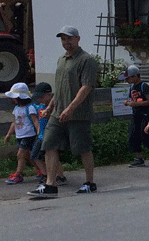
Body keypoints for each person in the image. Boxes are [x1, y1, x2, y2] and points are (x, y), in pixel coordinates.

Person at [28, 26, 99, 199]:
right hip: (57, 113)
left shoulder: (86, 60)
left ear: (78, 39)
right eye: (63, 39)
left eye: (69, 39)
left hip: (78, 113)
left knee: (82, 148)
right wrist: (51, 107)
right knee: (49, 144)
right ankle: (50, 185)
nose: (66, 42)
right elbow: (59, 89)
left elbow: (86, 87)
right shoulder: (61, 59)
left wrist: (71, 108)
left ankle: (89, 183)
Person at [123, 64, 149, 167]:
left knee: (143, 134)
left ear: (135, 76)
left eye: (128, 78)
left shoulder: (143, 86)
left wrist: (135, 104)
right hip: (136, 114)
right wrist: (128, 102)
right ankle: (139, 158)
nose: (126, 80)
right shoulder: (132, 87)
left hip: (145, 114)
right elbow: (134, 99)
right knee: (132, 135)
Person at [3, 82, 42, 184]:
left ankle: (19, 174)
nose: (12, 99)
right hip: (20, 135)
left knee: (20, 154)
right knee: (30, 155)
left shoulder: (30, 108)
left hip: (29, 135)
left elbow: (35, 121)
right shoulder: (16, 109)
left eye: (14, 97)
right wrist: (9, 134)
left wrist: (39, 132)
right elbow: (15, 123)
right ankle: (41, 170)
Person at [28, 82, 66, 185]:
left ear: (49, 95)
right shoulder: (41, 106)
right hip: (42, 135)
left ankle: (55, 176)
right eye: (38, 97)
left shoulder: (54, 106)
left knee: (49, 155)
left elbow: (57, 119)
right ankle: (50, 175)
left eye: (41, 97)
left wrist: (48, 116)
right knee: (37, 155)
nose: (39, 99)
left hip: (50, 134)